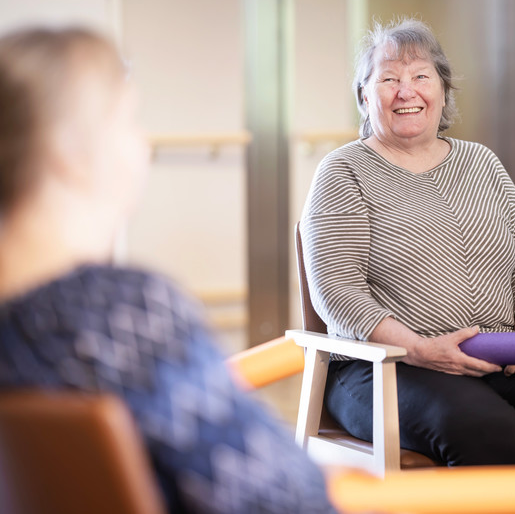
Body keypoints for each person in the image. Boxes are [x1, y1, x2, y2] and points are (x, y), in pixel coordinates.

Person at [0, 26, 336, 513]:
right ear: (70, 152)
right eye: (128, 121)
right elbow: (282, 501)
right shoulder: (120, 318)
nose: (144, 144)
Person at [301, 18, 515, 466]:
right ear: (365, 97)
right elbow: (337, 292)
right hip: (385, 365)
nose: (407, 91)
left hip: (500, 354)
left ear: (443, 90)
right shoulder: (342, 171)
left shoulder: (482, 162)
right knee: (490, 435)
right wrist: (421, 349)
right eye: (388, 79)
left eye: (421, 76)